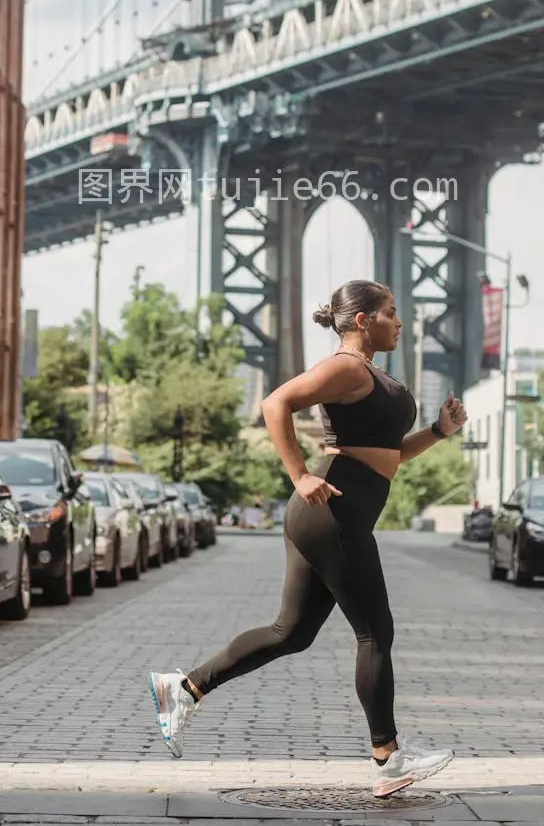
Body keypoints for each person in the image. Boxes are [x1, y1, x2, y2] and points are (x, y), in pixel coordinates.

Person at [148, 279, 468, 800]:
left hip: (331, 513)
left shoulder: (368, 372)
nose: (400, 321)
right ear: (362, 320)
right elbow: (276, 403)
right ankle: (387, 761)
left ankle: (182, 690)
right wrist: (298, 475)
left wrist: (436, 431)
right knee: (375, 632)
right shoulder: (344, 366)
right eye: (390, 312)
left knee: (290, 632)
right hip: (331, 512)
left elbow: (387, 456)